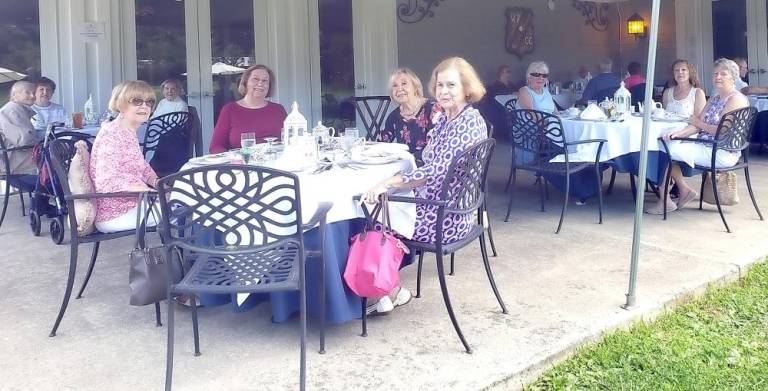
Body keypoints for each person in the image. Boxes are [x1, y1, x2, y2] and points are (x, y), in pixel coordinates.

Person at [360, 57, 488, 314]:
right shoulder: (446, 119)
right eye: (440, 85)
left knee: (373, 214)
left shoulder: (468, 122)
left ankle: (384, 291)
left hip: (447, 217)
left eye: (451, 85)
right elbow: (432, 164)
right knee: (381, 204)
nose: (443, 91)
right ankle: (388, 290)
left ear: (466, 88)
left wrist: (389, 182)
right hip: (440, 202)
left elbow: (436, 170)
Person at [646, 59, 749, 215]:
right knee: (664, 144)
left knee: (663, 150)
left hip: (721, 151)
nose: (718, 77)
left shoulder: (736, 99)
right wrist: (677, 135)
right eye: (715, 74)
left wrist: (700, 125)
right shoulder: (715, 99)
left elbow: (721, 131)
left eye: (723, 74)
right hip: (706, 145)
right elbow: (695, 124)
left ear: (733, 77)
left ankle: (666, 201)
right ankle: (681, 192)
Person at [90, 81, 160, 233]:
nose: (144, 106)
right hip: (115, 214)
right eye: (137, 101)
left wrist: (159, 184)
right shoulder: (112, 135)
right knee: (185, 210)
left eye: (149, 102)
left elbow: (142, 167)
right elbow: (107, 182)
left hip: (133, 204)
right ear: (120, 104)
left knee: (183, 204)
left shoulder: (126, 131)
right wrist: (150, 192)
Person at [209, 65, 287, 153]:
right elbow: (216, 146)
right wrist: (231, 160)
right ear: (245, 83)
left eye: (265, 81)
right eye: (255, 79)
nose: (260, 84)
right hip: (243, 163)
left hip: (275, 162)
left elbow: (292, 139)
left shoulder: (278, 110)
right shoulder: (230, 110)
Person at [379, 68, 437, 166]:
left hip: (430, 168)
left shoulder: (432, 109)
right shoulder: (394, 117)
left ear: (415, 87)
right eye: (394, 86)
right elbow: (382, 144)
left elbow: (436, 146)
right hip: (406, 166)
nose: (399, 89)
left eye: (404, 83)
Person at [0, 81, 39, 185]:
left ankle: (42, 198)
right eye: (27, 92)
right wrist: (43, 142)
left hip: (16, 158)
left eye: (34, 93)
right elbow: (24, 141)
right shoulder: (13, 110)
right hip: (13, 163)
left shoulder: (18, 109)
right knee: (57, 158)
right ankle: (43, 198)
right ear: (14, 95)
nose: (32, 96)